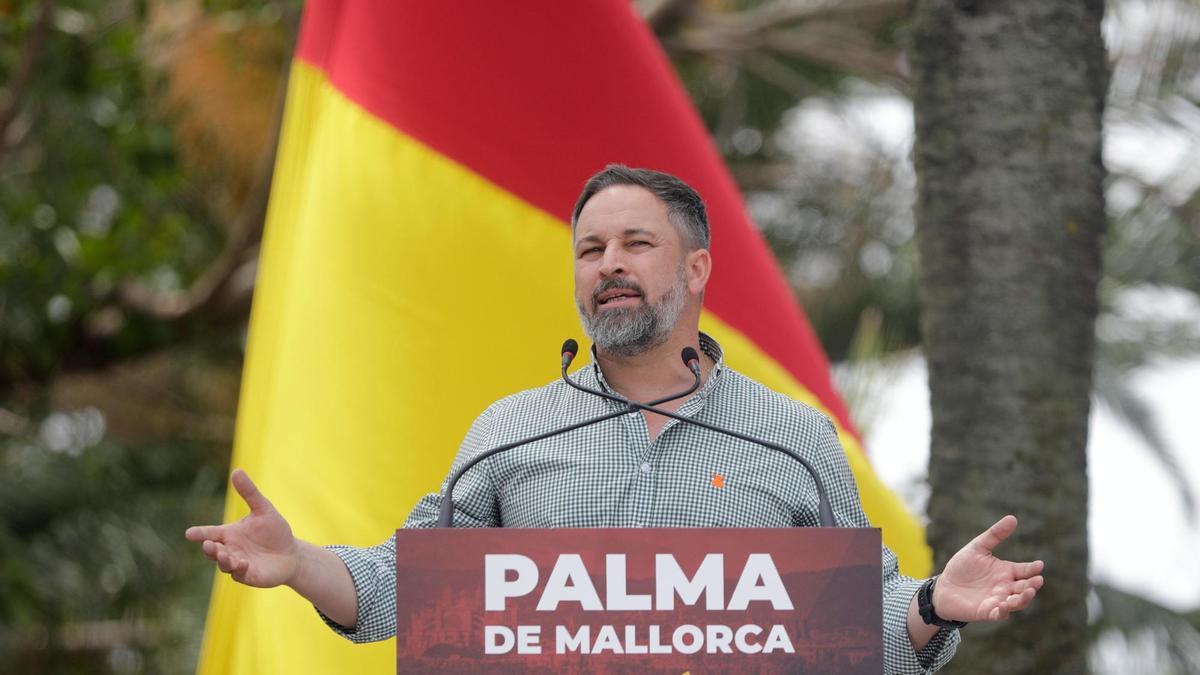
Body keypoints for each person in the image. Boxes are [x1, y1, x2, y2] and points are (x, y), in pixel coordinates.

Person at [186, 165, 1045, 673]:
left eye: (637, 244)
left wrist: (938, 601)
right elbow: (406, 588)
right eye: (591, 250)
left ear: (697, 265)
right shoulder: (509, 432)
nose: (610, 266)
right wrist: (300, 562)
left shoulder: (793, 438)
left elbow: (860, 621)